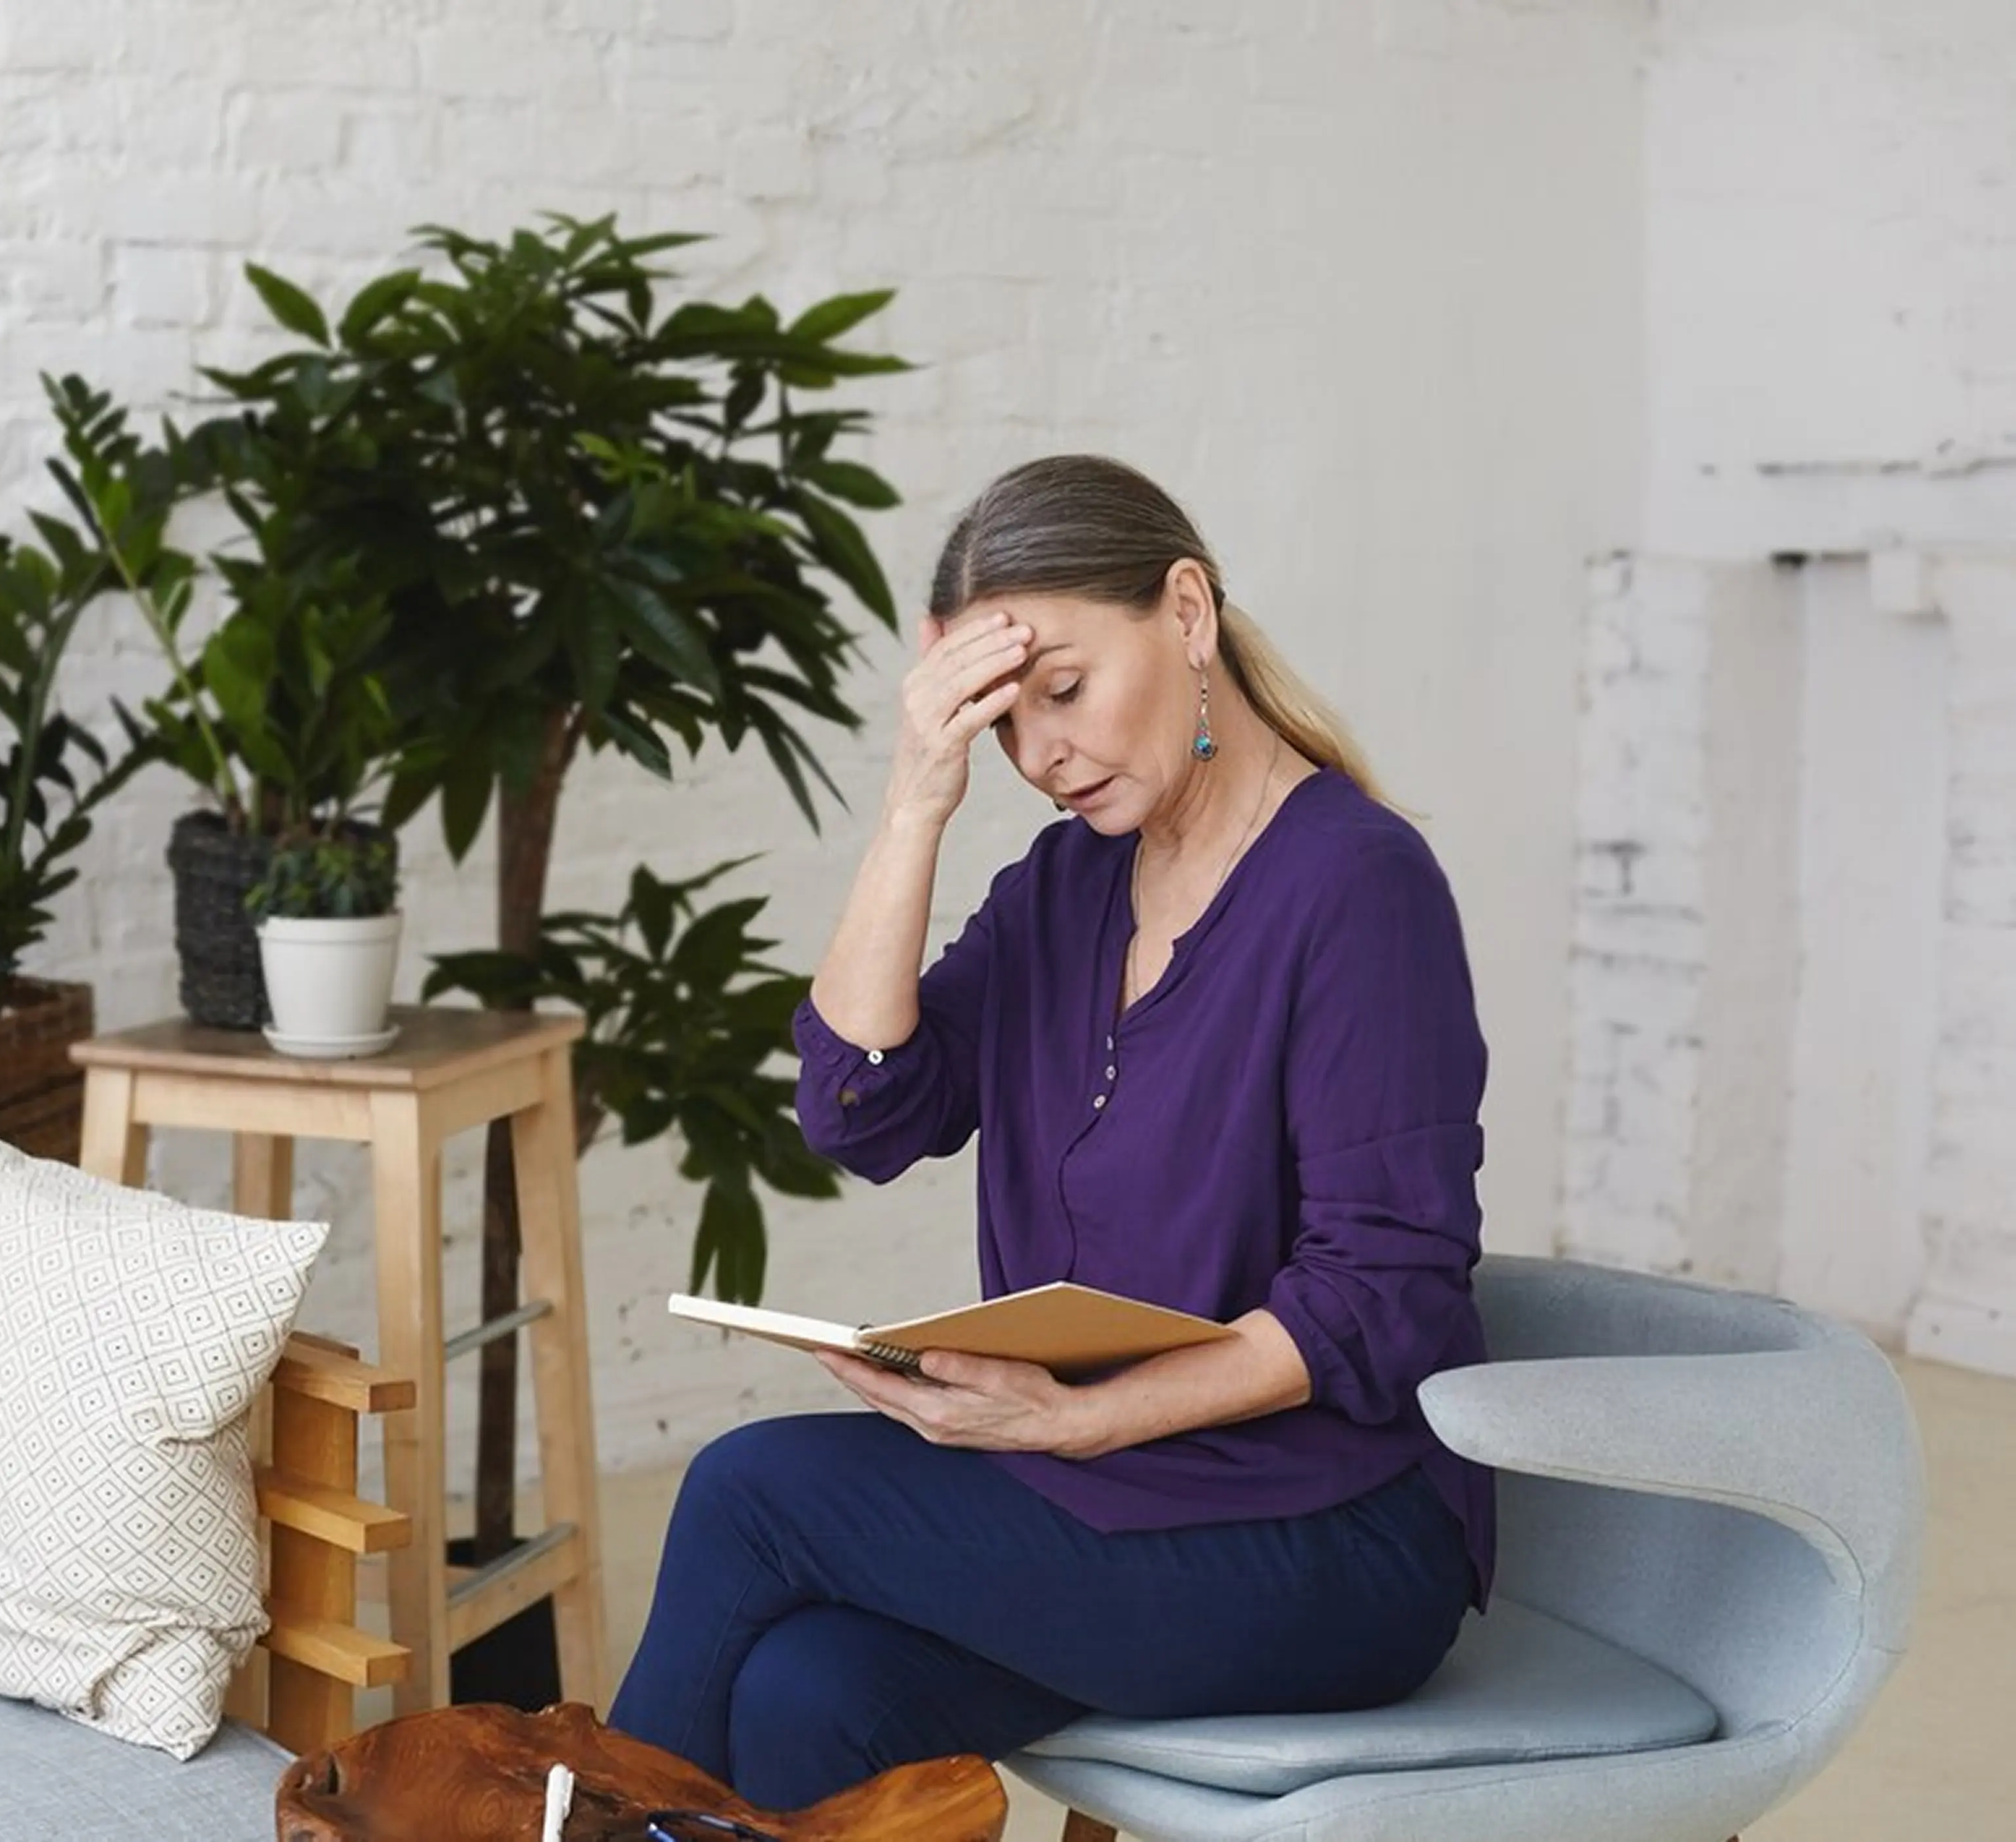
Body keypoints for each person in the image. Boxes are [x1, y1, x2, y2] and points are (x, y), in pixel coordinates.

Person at [606, 455, 1495, 1811]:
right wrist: (915, 800)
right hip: (1119, 1495)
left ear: (1185, 612)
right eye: (1002, 724)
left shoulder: (1358, 885)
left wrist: (1076, 1422)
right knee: (806, 1691)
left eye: (1064, 692)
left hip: (1332, 1536)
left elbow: (1381, 1295)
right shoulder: (1068, 884)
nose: (1039, 758)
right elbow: (858, 1107)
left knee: (749, 1488)